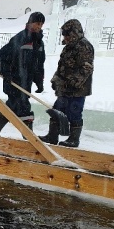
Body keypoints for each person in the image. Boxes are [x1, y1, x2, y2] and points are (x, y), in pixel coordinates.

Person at [0, 11, 46, 135]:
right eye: (37, 23)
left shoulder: (39, 43)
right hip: (14, 81)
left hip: (26, 83)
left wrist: (39, 81)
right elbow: (2, 57)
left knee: (12, 107)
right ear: (30, 22)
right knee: (23, 106)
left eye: (41, 24)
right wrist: (7, 74)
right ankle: (29, 138)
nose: (39, 27)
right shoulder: (20, 39)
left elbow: (39, 65)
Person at [40, 19, 94, 148]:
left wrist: (72, 83)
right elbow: (62, 67)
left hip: (77, 89)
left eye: (67, 34)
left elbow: (86, 69)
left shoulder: (84, 46)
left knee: (74, 112)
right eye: (64, 35)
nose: (65, 37)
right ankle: (52, 136)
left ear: (74, 33)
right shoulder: (68, 47)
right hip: (64, 88)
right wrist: (56, 80)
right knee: (57, 111)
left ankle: (74, 139)